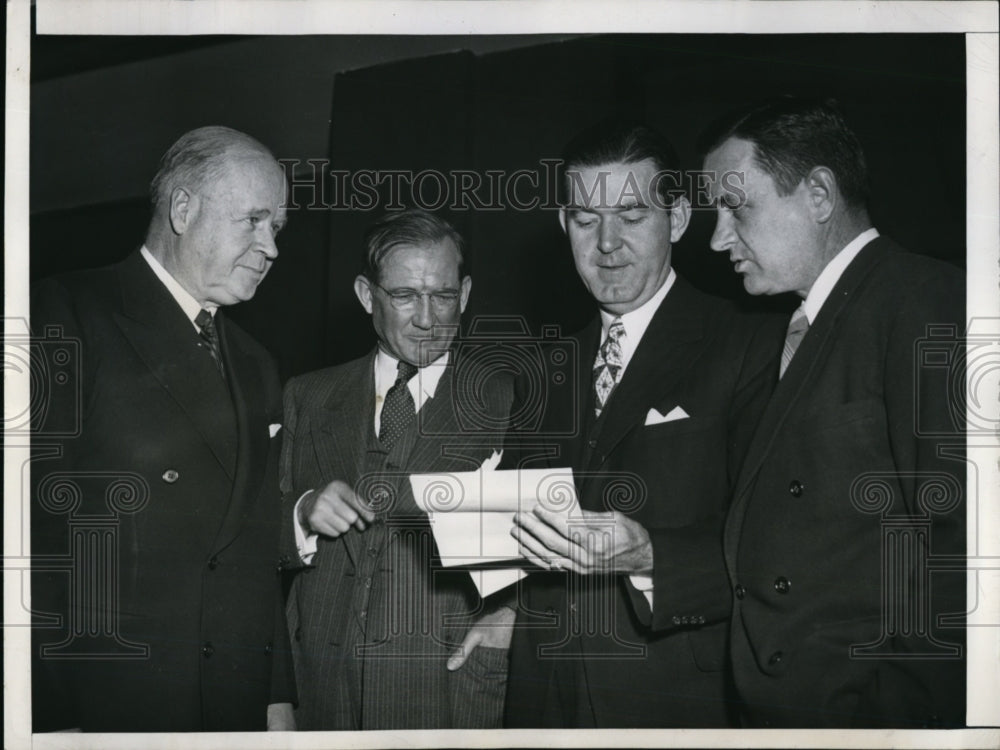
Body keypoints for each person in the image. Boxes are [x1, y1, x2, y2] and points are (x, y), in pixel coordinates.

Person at [503, 122, 782, 728]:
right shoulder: (543, 368)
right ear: (562, 225)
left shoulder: (751, 343)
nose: (607, 243)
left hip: (678, 700)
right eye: (585, 220)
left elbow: (776, 547)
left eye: (631, 215)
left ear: (677, 220)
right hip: (542, 695)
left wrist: (651, 555)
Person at [700, 96, 966, 727]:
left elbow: (967, 550)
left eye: (737, 207)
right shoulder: (786, 329)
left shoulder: (929, 302)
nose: (716, 238)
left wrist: (897, 721)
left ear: (818, 195)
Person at [30, 126, 296, 731]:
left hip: (230, 704)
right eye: (253, 220)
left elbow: (250, 550)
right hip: (109, 705)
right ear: (182, 208)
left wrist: (276, 696)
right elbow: (25, 533)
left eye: (276, 227)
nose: (271, 247)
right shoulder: (65, 313)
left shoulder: (257, 361)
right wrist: (48, 712)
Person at [280, 208, 515, 730]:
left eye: (444, 296)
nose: (428, 318)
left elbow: (556, 543)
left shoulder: (510, 399)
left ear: (467, 293)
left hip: (446, 691)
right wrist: (300, 514)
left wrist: (513, 616)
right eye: (405, 296)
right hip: (319, 692)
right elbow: (252, 542)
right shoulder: (307, 395)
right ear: (367, 296)